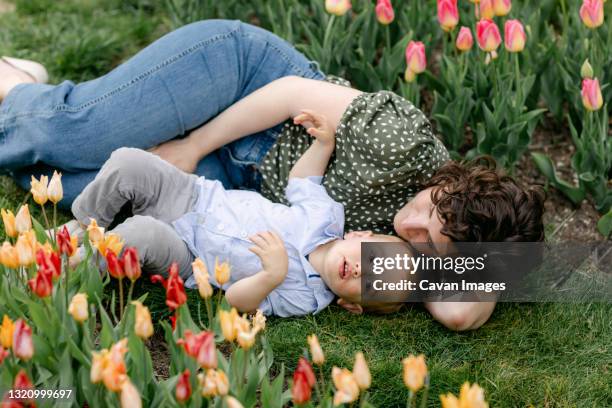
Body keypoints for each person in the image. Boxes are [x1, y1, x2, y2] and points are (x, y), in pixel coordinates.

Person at [0, 20, 544, 329]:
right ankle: (22, 92)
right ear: (449, 181)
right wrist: (191, 147)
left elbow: (461, 315)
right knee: (79, 136)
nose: (412, 228)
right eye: (430, 210)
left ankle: (23, 83)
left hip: (231, 185)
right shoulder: (402, 144)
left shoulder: (389, 264)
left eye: (431, 245)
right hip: (242, 88)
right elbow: (287, 97)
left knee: (53, 183)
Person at [70, 110, 406, 317]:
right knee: (130, 161)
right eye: (372, 260)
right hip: (196, 197)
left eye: (369, 283)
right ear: (360, 236)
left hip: (192, 256)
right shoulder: (326, 218)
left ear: (352, 306)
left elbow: (235, 303)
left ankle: (77, 267)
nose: (361, 270)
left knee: (141, 234)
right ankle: (81, 223)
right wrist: (323, 146)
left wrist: (270, 277)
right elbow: (303, 182)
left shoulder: (305, 297)